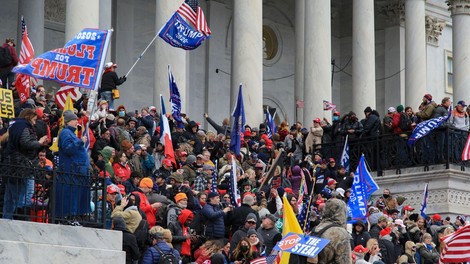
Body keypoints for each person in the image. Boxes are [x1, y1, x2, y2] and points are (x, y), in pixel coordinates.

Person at [2, 109, 48, 219]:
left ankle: (7, 218)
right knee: (21, 195)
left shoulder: (15, 126)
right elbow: (26, 143)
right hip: (19, 166)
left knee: (11, 197)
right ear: (28, 116)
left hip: (13, 165)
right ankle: (18, 217)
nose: (35, 123)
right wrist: (39, 142)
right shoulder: (23, 126)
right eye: (34, 119)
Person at [55, 110, 91, 221]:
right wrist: (80, 142)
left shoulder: (71, 133)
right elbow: (67, 149)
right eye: (74, 120)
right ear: (68, 122)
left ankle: (75, 217)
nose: (76, 122)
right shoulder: (66, 133)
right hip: (73, 171)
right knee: (71, 196)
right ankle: (70, 217)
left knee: (76, 196)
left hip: (78, 172)